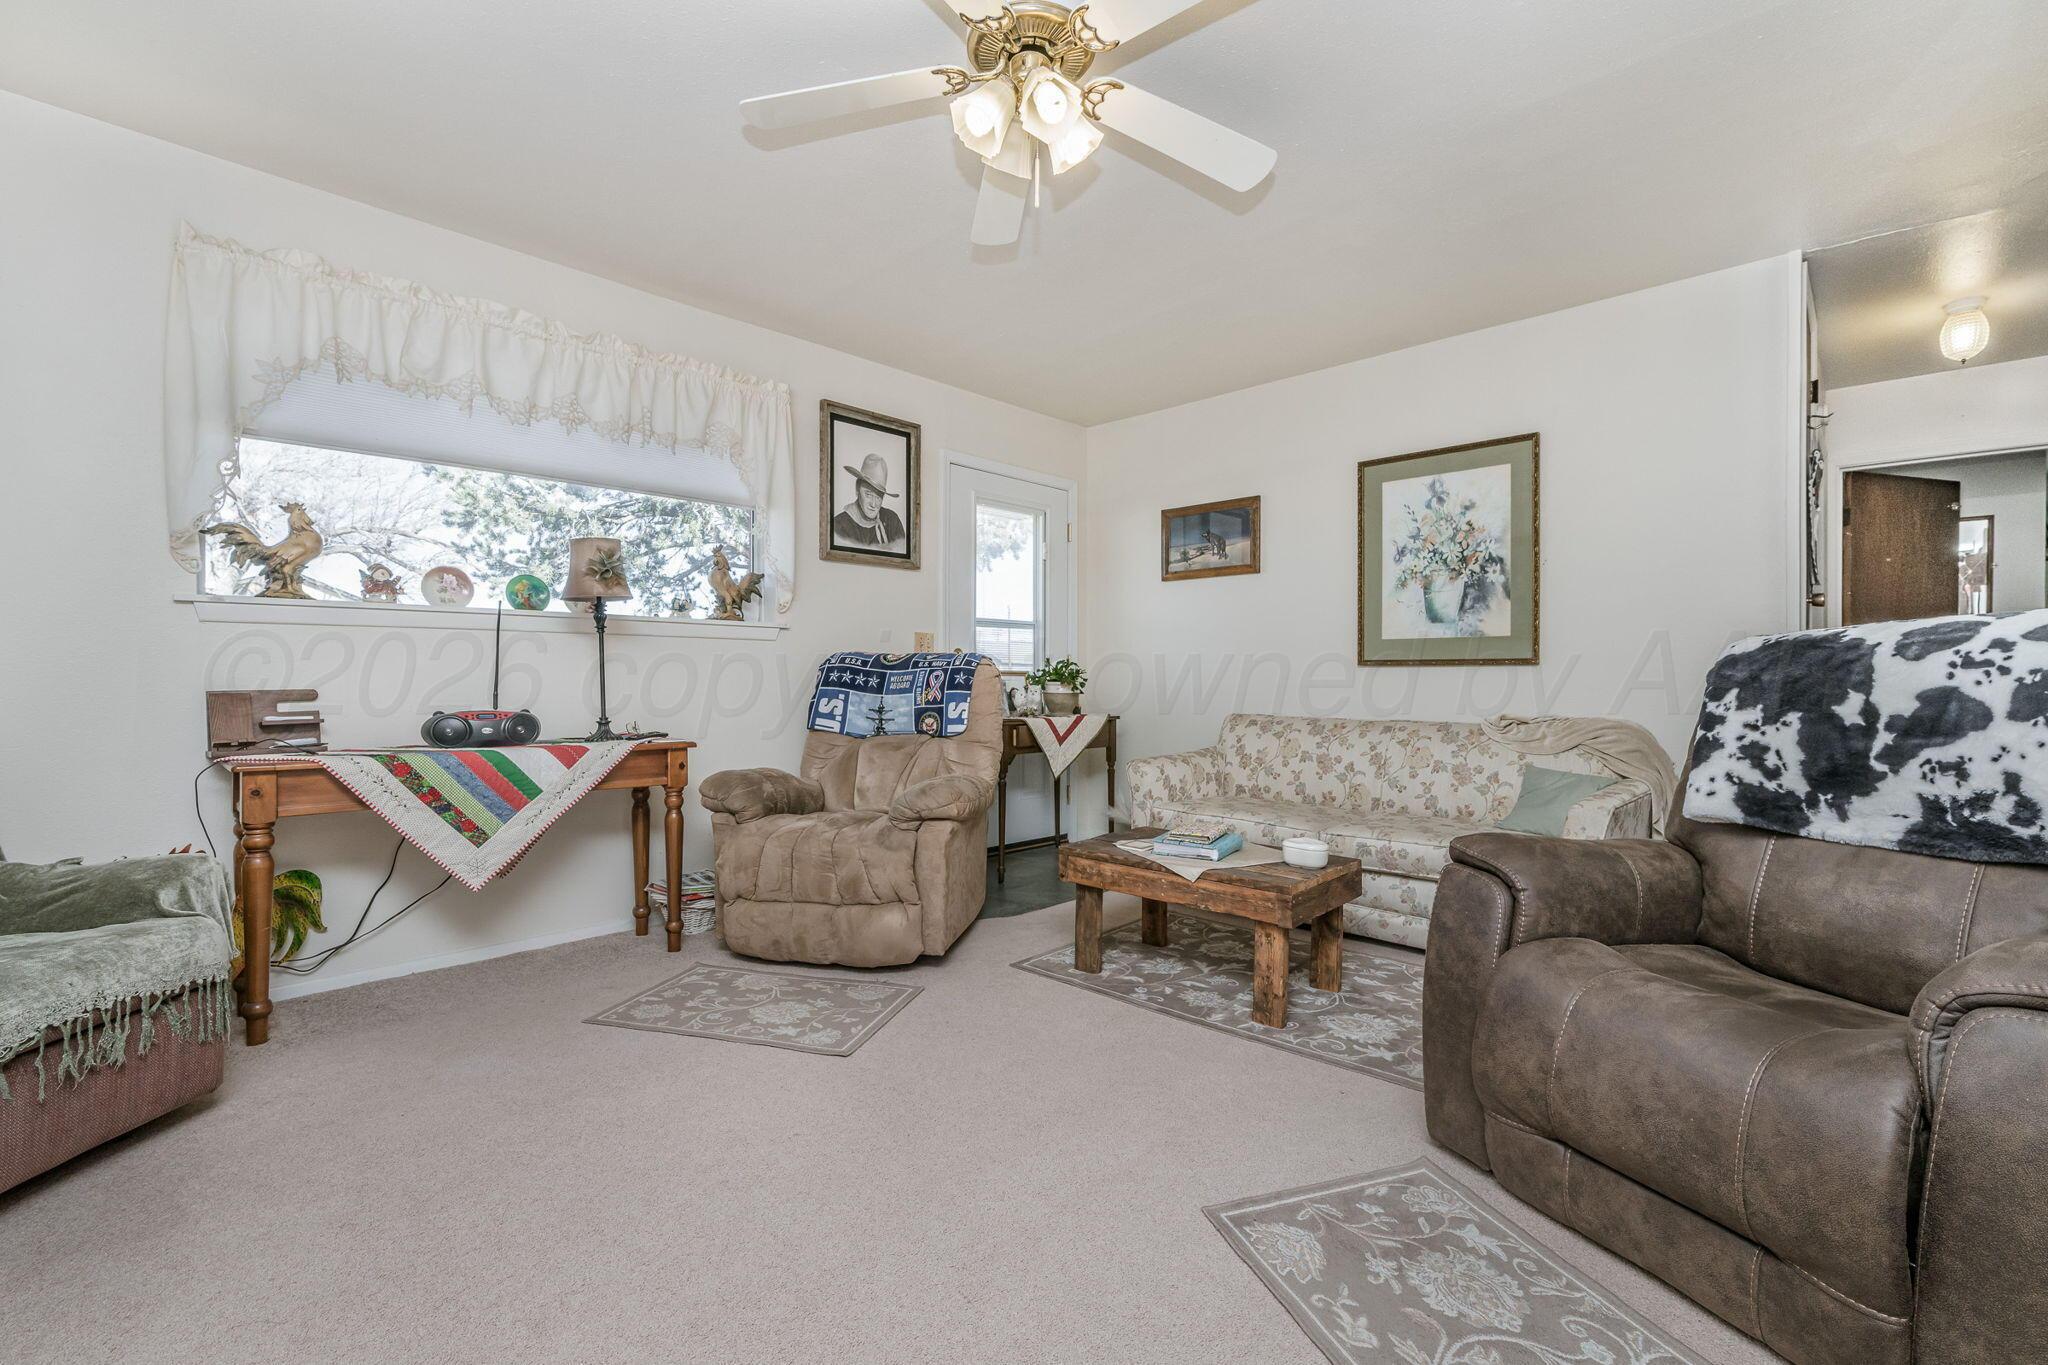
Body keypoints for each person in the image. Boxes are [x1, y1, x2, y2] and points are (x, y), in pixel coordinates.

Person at [832, 453, 907, 552]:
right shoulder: (839, 525)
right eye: (868, 494)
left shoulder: (892, 520)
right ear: (857, 490)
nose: (873, 504)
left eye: (879, 497)